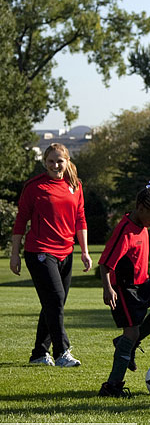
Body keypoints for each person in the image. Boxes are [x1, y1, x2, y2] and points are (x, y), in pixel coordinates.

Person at [11, 143, 92, 367]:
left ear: (67, 161)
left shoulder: (75, 186)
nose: (56, 165)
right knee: (55, 299)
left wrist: (84, 251)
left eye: (60, 161)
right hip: (40, 251)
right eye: (51, 161)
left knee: (53, 303)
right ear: (44, 162)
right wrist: (14, 254)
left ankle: (39, 353)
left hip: (66, 252)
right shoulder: (34, 187)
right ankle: (62, 352)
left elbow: (80, 219)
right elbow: (20, 221)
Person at [98, 182, 150, 398]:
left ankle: (129, 344)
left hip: (144, 284)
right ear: (140, 208)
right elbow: (104, 263)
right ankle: (112, 386)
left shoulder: (143, 225)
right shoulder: (125, 231)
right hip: (125, 288)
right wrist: (108, 289)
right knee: (130, 333)